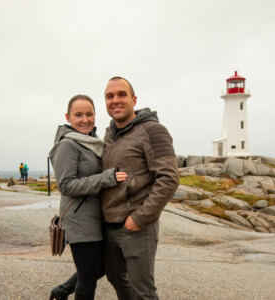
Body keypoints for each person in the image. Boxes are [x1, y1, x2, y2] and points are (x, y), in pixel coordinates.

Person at [101, 77, 179, 300]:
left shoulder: (153, 130)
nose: (115, 100)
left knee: (143, 291)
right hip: (109, 226)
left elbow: (169, 178)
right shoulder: (109, 135)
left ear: (134, 100)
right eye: (110, 96)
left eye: (121, 94)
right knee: (116, 278)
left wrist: (140, 217)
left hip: (137, 227)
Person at [49, 95, 128, 300]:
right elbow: (65, 185)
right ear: (68, 116)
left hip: (97, 217)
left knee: (99, 268)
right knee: (88, 278)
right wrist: (105, 179)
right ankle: (63, 291)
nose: (85, 119)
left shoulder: (92, 143)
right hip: (79, 219)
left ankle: (62, 291)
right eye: (78, 115)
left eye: (89, 114)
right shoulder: (67, 145)